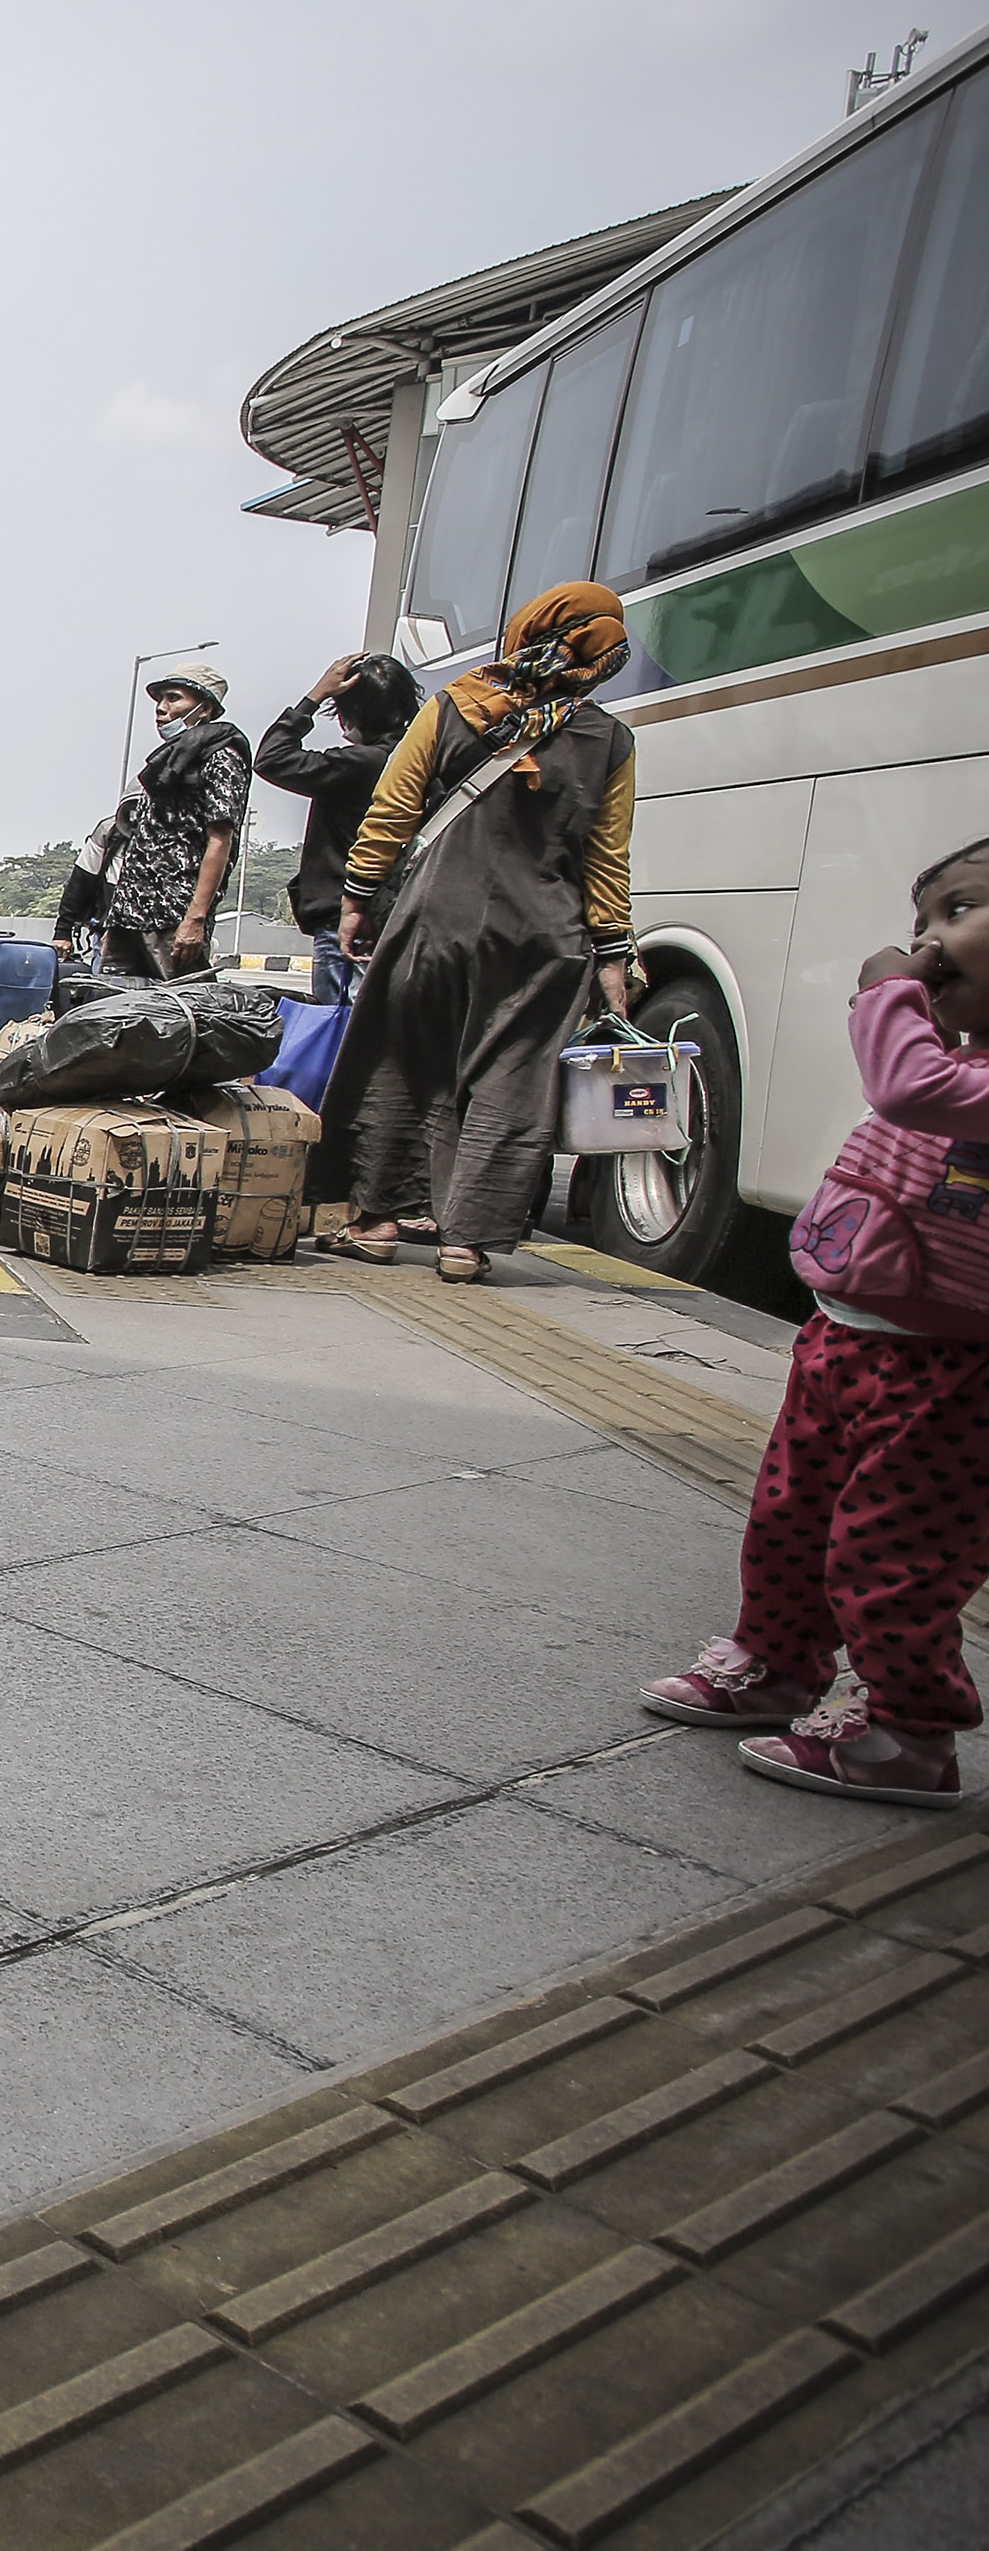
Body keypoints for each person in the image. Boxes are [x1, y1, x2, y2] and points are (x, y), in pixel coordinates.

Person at [638, 835, 989, 1805]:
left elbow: (908, 1087)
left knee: (893, 1552)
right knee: (790, 1519)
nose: (927, 943)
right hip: (844, 1338)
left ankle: (908, 1729)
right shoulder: (957, 1054)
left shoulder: (945, 1074)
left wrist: (890, 994)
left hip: (952, 1372)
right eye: (921, 922)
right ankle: (777, 1660)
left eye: (961, 912)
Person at [311, 582, 639, 1282]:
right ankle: (466, 1242)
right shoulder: (610, 740)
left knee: (398, 1060)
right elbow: (607, 857)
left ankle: (375, 1221)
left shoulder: (456, 704)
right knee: (512, 1082)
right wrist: (614, 952)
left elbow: (394, 807)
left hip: (439, 918)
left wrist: (358, 897)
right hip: (546, 935)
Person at [251, 653, 420, 1005]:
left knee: (339, 1021)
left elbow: (271, 758)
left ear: (348, 713)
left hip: (349, 916)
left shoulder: (359, 764)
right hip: (401, 911)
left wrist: (315, 696)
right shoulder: (418, 762)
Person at [97, 667, 250, 981]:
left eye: (174, 698)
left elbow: (220, 841)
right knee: (114, 1001)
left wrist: (195, 918)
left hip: (173, 913)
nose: (161, 707)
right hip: (130, 912)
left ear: (204, 708)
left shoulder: (221, 757)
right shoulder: (167, 762)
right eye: (160, 699)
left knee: (180, 1003)